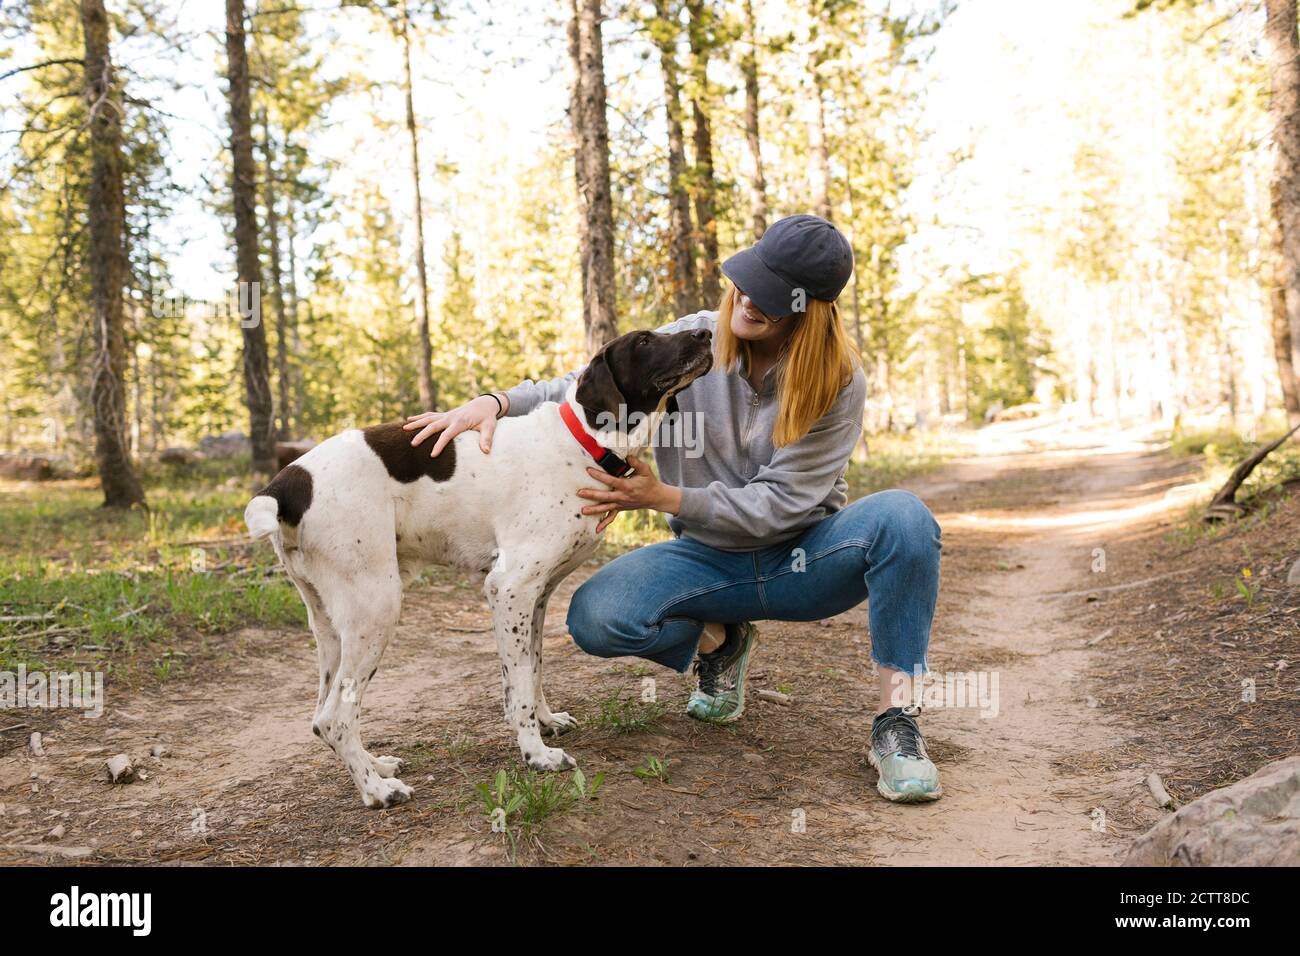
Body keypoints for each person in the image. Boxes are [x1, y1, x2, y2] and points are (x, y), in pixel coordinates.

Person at [404, 214, 943, 802]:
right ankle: (722, 644)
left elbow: (781, 504)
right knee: (596, 615)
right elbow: (588, 379)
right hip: (705, 562)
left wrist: (661, 496)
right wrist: (495, 401)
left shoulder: (838, 380)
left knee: (905, 519)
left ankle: (898, 722)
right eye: (747, 278)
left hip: (804, 562)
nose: (747, 298)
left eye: (768, 292)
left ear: (807, 309)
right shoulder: (696, 339)